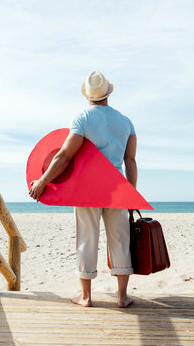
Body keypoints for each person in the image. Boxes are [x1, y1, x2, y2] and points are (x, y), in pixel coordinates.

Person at [29, 71, 137, 308]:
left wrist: (43, 181)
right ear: (108, 93)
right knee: (120, 239)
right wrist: (133, 195)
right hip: (118, 189)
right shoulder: (126, 121)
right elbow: (130, 161)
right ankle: (122, 297)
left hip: (88, 189)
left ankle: (86, 297)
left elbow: (65, 155)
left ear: (88, 95)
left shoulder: (82, 118)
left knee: (87, 239)